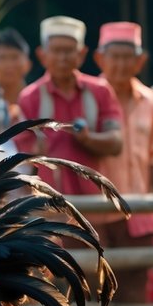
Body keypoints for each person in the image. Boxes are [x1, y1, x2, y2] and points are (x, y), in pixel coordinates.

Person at [94, 22, 153, 306]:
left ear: (140, 61)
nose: (122, 64)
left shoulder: (152, 100)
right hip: (94, 210)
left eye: (129, 57)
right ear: (100, 58)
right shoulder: (89, 96)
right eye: (115, 56)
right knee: (90, 285)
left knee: (134, 285)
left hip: (138, 209)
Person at [14, 16, 123, 195]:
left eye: (69, 51)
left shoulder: (101, 91)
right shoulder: (30, 98)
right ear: (42, 55)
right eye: (56, 51)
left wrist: (88, 139)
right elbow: (21, 157)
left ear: (81, 54)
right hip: (49, 204)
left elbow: (116, 143)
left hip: (97, 202)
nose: (62, 58)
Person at [0, 28, 32, 132]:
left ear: (28, 64)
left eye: (15, 57)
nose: (9, 64)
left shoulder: (37, 100)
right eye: (2, 58)